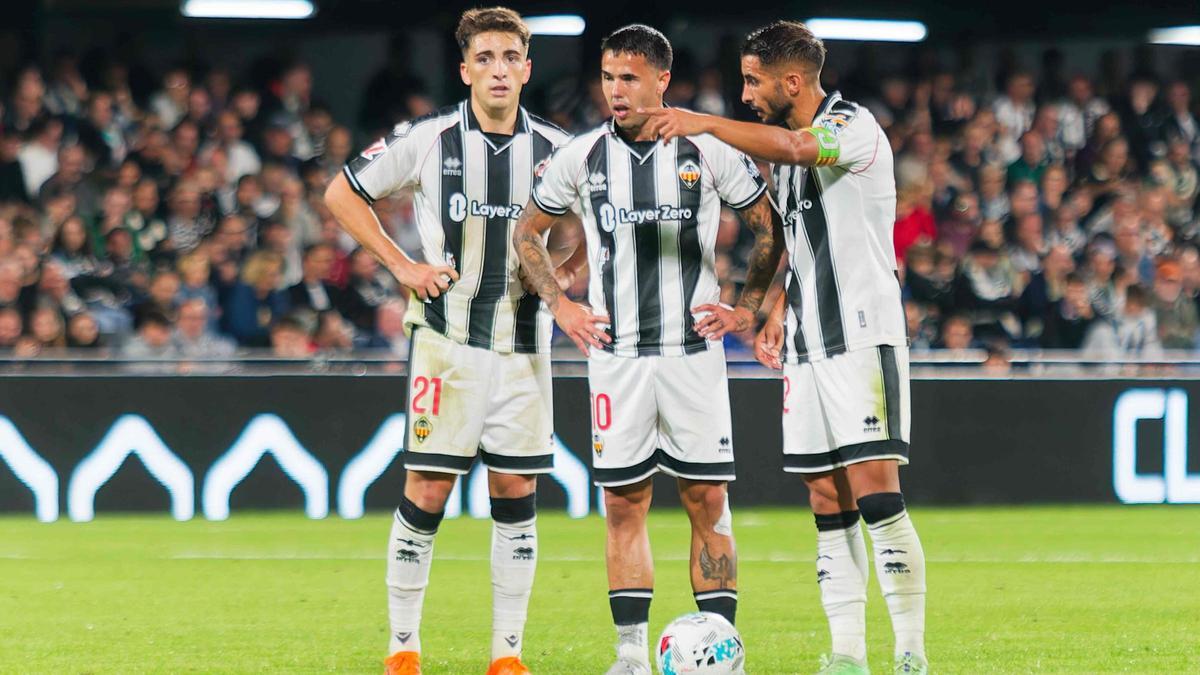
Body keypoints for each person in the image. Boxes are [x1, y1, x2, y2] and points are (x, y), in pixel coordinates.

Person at [639, 20, 929, 674]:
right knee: (827, 501)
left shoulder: (848, 127)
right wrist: (764, 309)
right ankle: (849, 654)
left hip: (860, 333)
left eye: (752, 80)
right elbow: (800, 244)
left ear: (791, 81)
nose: (745, 94)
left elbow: (798, 147)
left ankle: (911, 652)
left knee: (878, 495)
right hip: (807, 342)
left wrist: (701, 122)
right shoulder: (791, 152)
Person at [515, 24, 781, 675]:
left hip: (693, 352)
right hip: (618, 355)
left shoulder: (707, 150)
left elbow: (766, 227)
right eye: (608, 77)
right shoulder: (581, 158)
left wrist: (747, 307)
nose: (616, 90)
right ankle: (631, 654)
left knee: (706, 500)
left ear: (662, 80)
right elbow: (527, 235)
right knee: (623, 502)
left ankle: (720, 648)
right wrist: (562, 304)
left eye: (629, 77)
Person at [323, 8, 573, 675]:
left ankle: (507, 655)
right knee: (428, 487)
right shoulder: (428, 138)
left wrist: (562, 276)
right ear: (465, 69)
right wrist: (402, 266)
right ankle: (403, 647)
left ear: (527, 66)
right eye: (484, 58)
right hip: (447, 339)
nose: (498, 69)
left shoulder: (556, 148)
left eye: (509, 56)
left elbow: (579, 226)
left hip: (524, 343)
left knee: (516, 490)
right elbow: (342, 193)